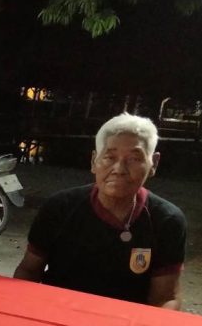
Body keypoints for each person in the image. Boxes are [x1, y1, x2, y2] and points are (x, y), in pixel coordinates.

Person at [13, 113, 185, 309]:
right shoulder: (60, 207)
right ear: (94, 161)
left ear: (153, 163)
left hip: (125, 322)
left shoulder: (166, 220)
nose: (119, 169)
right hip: (57, 314)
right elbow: (29, 270)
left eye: (134, 158)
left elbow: (165, 297)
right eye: (110, 157)